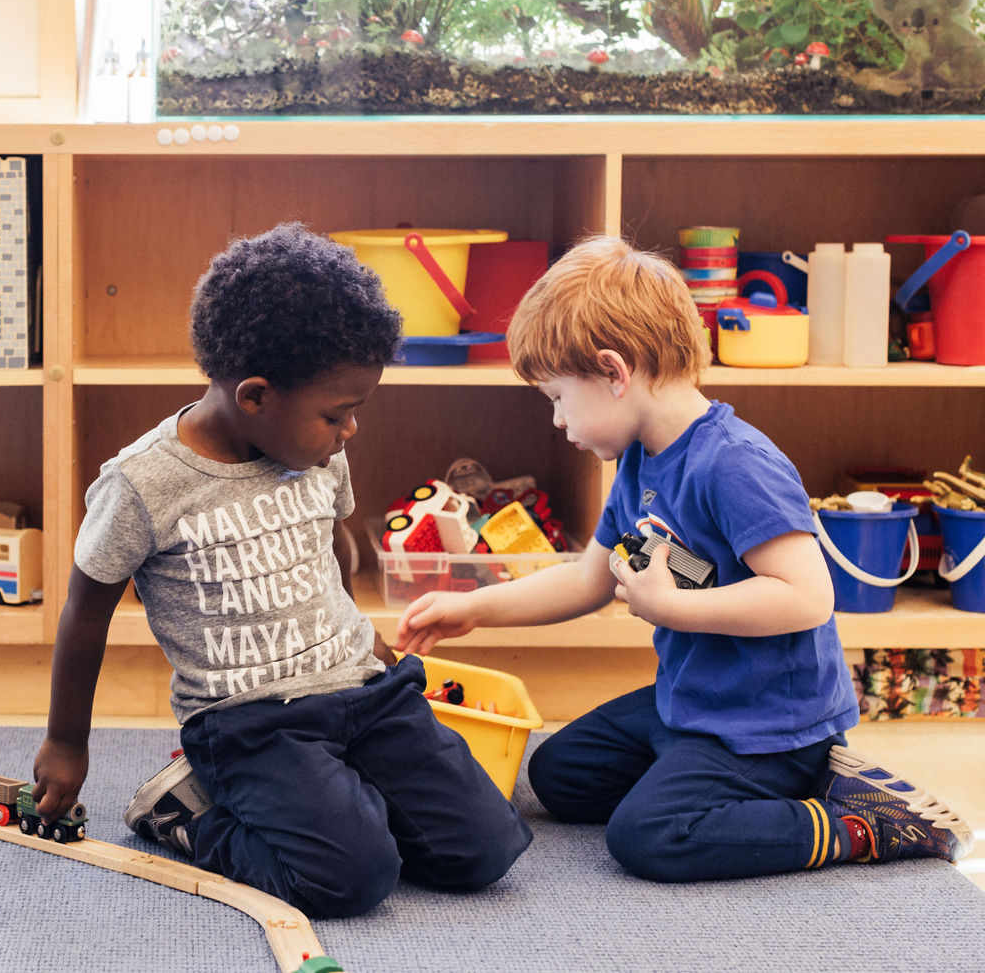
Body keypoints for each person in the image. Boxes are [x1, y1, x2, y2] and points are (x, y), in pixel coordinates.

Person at [395, 236, 974, 881]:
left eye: (558, 397)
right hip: (692, 701)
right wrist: (474, 607)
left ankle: (858, 824)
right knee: (560, 776)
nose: (557, 420)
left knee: (649, 837)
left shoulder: (734, 463)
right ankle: (727, 785)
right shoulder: (640, 459)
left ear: (614, 373)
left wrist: (669, 605)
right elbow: (588, 578)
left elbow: (808, 597)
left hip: (768, 723)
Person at [31, 224, 532, 918]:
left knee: (485, 849)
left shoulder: (317, 450)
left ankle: (333, 795)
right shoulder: (142, 484)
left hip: (362, 688)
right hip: (251, 721)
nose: (350, 431)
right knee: (354, 879)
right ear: (256, 396)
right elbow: (84, 613)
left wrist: (359, 637)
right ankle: (191, 810)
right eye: (338, 413)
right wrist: (65, 742)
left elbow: (322, 553)